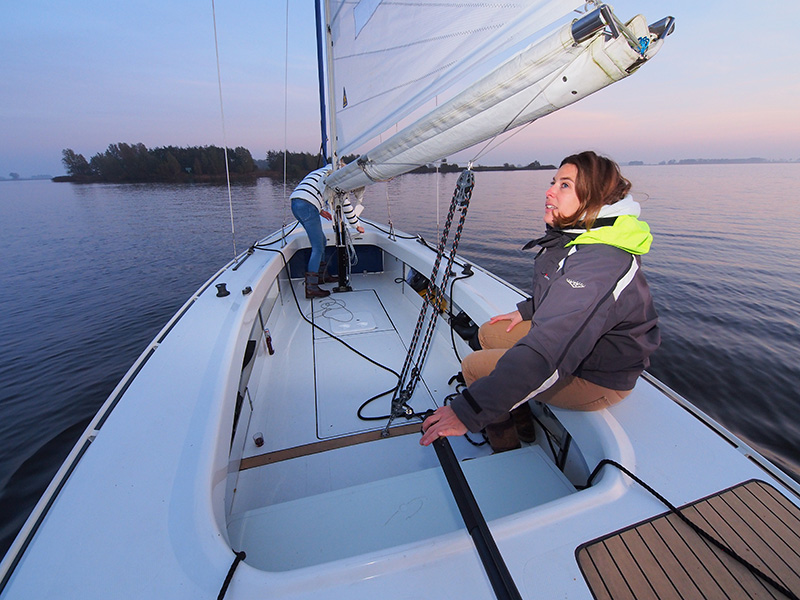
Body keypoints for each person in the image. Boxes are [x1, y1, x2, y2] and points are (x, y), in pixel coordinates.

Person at [420, 151, 660, 451]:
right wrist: (527, 310)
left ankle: (506, 450)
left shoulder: (600, 260)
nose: (549, 191)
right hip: (588, 347)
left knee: (473, 367)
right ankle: (521, 422)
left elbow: (548, 351)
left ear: (595, 198)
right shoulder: (580, 236)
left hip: (599, 374)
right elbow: (565, 294)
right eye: (553, 181)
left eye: (565, 185)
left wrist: (467, 411)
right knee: (488, 333)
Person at [290, 165, 365, 298]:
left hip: (296, 203)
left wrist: (319, 210)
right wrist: (356, 225)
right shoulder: (337, 178)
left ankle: (322, 275)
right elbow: (345, 204)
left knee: (322, 241)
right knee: (318, 247)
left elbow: (312, 190)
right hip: (307, 206)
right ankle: (311, 288)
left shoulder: (323, 171)